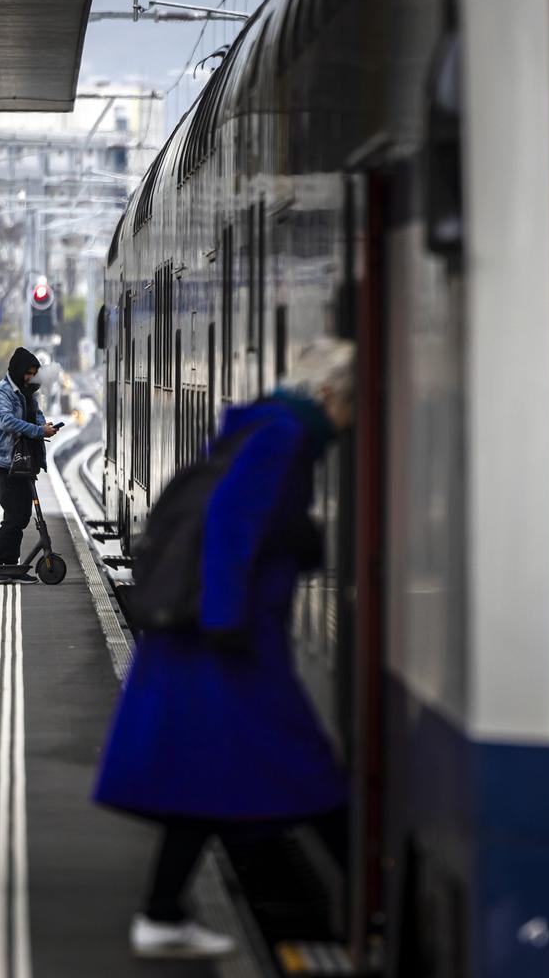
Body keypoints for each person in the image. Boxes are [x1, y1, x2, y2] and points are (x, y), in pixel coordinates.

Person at [93, 337, 356, 959]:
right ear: (326, 394)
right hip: (231, 638)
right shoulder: (285, 436)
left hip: (220, 634)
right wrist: (226, 621)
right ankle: (375, 906)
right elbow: (234, 519)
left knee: (207, 772)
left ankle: (161, 915)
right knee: (308, 767)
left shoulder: (269, 425)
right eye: (350, 403)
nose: (351, 417)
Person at [0, 346, 60, 577]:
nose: (30, 377)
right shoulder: (2, 393)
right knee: (14, 515)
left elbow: (37, 415)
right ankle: (0, 565)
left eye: (33, 372)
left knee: (20, 516)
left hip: (25, 464)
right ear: (18, 370)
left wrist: (45, 426)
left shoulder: (29, 393)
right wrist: (39, 431)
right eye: (27, 372)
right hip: (6, 464)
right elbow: (6, 422)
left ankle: (11, 566)